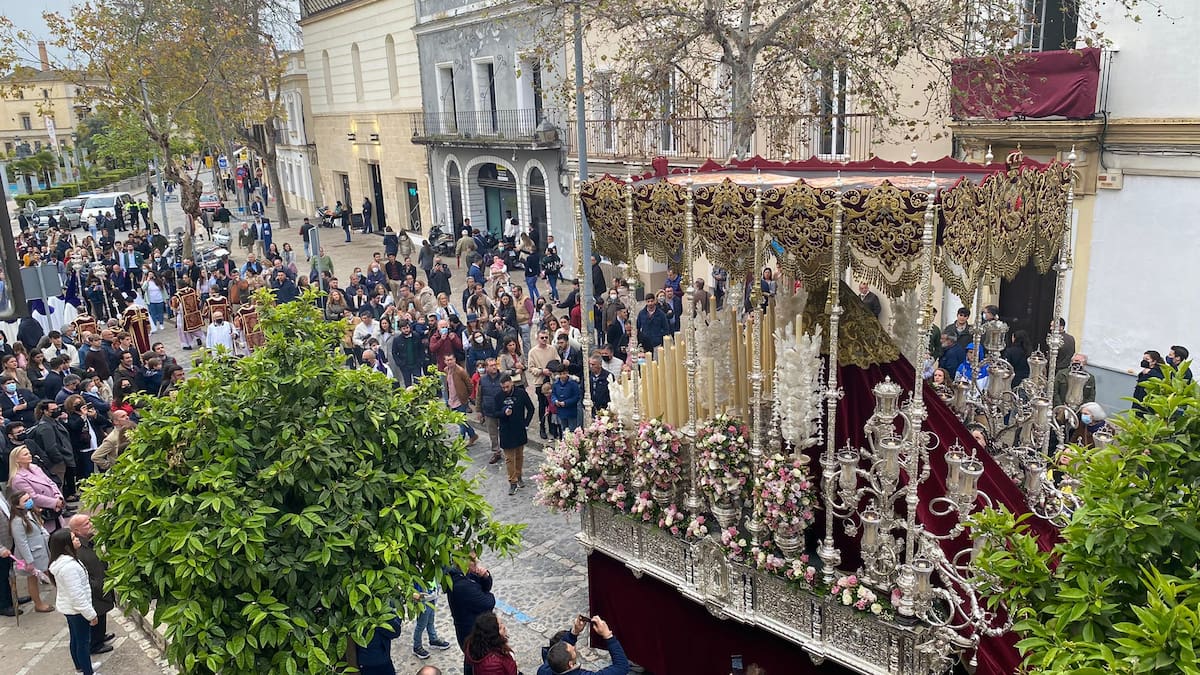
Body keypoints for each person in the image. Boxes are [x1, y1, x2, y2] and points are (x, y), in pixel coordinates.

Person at [48, 528, 99, 675]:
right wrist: (91, 615)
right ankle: (87, 671)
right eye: (73, 538)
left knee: (76, 639)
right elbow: (77, 596)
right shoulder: (69, 567)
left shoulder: (63, 562)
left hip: (69, 608)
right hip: (77, 610)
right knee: (83, 642)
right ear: (66, 545)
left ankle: (81, 667)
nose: (77, 539)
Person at [68, 514, 116, 656]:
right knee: (97, 613)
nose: (90, 525)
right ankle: (95, 644)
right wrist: (94, 584)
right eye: (86, 524)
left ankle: (101, 636)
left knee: (103, 612)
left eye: (89, 522)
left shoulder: (91, 540)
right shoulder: (78, 548)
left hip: (101, 580)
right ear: (76, 531)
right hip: (94, 587)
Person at [446, 555, 496, 675]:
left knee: (471, 660)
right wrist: (489, 595)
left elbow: (486, 586)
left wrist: (485, 576)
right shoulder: (461, 585)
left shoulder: (467, 574)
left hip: (472, 630)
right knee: (476, 662)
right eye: (473, 561)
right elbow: (488, 602)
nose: (476, 563)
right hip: (471, 633)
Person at [9, 491, 52, 612]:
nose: (29, 501)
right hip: (31, 555)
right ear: (17, 505)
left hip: (40, 550)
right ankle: (38, 604)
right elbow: (21, 542)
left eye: (29, 498)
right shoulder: (17, 521)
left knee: (45, 573)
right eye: (25, 500)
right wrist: (29, 561)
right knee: (32, 579)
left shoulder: (30, 513)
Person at [544, 615, 629, 675]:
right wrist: (608, 636)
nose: (574, 647)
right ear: (570, 664)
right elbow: (621, 667)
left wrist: (574, 632)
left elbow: (562, 645)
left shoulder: (544, 669)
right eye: (573, 650)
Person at [495, 374, 534, 495]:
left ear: (511, 383)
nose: (505, 390)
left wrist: (526, 423)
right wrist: (503, 412)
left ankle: (519, 475)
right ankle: (512, 481)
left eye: (507, 387)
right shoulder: (498, 396)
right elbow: (494, 412)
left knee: (519, 456)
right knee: (509, 458)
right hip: (506, 430)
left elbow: (531, 408)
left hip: (519, 428)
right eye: (503, 387)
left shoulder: (521, 393)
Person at [411, 579, 452, 659]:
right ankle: (417, 646)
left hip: (432, 598)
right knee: (421, 625)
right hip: (424, 601)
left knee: (430, 621)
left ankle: (433, 639)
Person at [355, 610, 403, 675]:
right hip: (368, 662)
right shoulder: (357, 616)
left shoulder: (383, 607)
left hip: (383, 659)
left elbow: (396, 631)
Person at [476, 359, 504, 465]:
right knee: (492, 433)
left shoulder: (503, 377)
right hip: (488, 410)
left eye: (495, 365)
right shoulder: (482, 380)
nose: (494, 367)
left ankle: (507, 449)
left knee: (504, 432)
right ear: (486, 368)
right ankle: (496, 452)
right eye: (491, 365)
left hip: (501, 411)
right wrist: (478, 410)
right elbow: (479, 396)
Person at [551, 362, 582, 435]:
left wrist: (566, 402)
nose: (562, 376)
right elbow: (553, 394)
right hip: (561, 411)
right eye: (560, 374)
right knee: (563, 429)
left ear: (567, 373)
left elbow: (576, 397)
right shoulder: (556, 383)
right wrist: (555, 401)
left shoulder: (573, 384)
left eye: (564, 373)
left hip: (571, 411)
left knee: (572, 430)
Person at [1133, 349, 1165, 416]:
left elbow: (1161, 379)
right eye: (1143, 359)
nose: (1144, 361)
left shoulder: (1158, 372)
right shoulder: (1144, 371)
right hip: (1138, 402)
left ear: (1154, 361)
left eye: (1147, 359)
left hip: (1147, 404)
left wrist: (1150, 372)